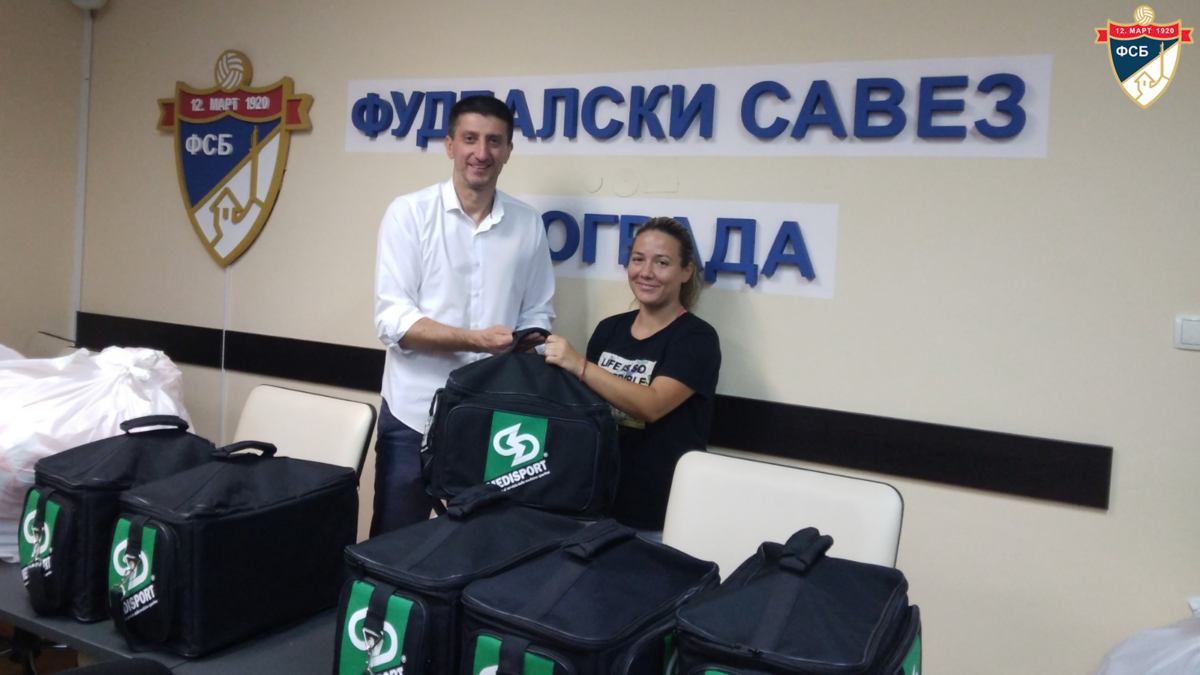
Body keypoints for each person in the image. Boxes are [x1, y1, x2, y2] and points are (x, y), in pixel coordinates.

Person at [372, 96, 554, 536]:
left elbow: (538, 311)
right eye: (470, 139)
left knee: (483, 545)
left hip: (495, 419)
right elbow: (393, 321)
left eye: (494, 141)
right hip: (413, 416)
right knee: (394, 545)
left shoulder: (528, 224)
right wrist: (475, 340)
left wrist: (532, 339)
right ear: (450, 145)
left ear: (508, 150)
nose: (481, 152)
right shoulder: (409, 214)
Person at [544, 217, 721, 532]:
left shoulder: (696, 338)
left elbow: (651, 405)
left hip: (660, 513)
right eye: (638, 259)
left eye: (662, 262)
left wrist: (580, 366)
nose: (646, 272)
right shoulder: (609, 329)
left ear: (686, 271)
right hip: (598, 503)